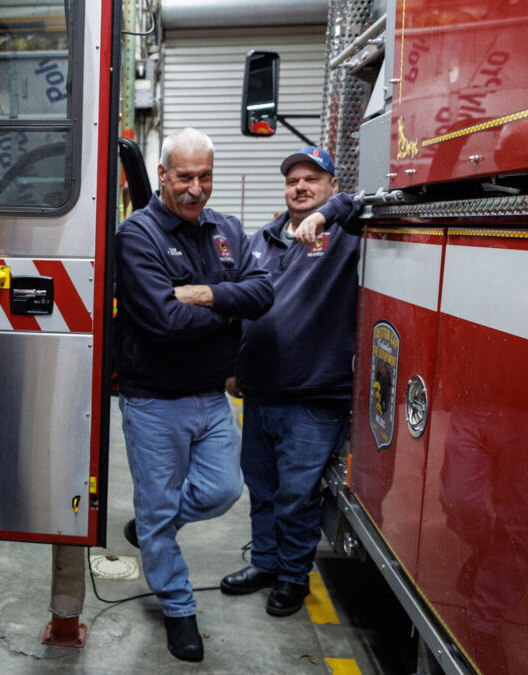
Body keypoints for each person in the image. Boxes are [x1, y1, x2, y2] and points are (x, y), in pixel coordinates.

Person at [115, 127, 274, 662]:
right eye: (184, 176)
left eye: (204, 176)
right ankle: (179, 609)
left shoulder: (226, 228)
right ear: (162, 175)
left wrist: (208, 294)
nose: (195, 188)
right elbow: (162, 320)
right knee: (160, 510)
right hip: (153, 400)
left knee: (223, 491)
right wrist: (230, 307)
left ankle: (154, 525)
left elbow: (263, 293)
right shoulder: (136, 235)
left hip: (211, 397)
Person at [219, 146, 362, 617]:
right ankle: (264, 562)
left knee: (297, 495)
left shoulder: (345, 233)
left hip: (314, 396)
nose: (300, 187)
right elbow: (244, 306)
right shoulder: (261, 238)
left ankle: (293, 578)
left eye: (312, 180)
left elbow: (375, 201)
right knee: (260, 486)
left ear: (331, 186)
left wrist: (328, 216)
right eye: (293, 180)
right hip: (260, 392)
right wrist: (235, 365)